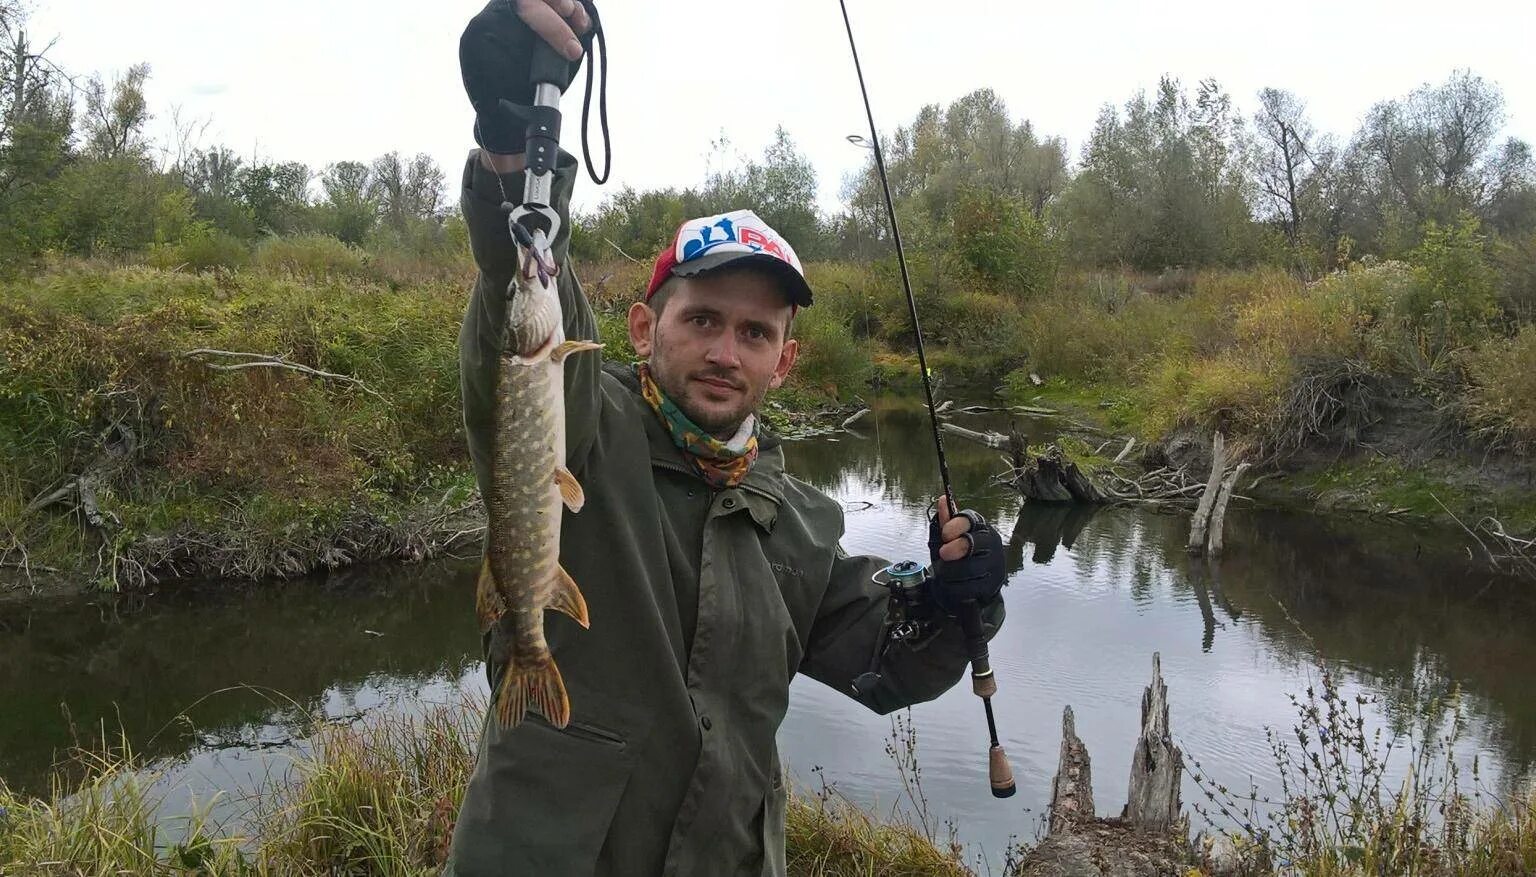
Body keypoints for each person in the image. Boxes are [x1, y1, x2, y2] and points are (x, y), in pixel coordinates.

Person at [446, 2, 1008, 874]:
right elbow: (517, 324)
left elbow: (886, 666)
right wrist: (516, 160)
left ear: (784, 361)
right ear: (641, 327)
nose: (724, 350)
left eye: (755, 333)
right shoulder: (587, 430)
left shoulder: (802, 522)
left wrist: (958, 596)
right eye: (702, 317)